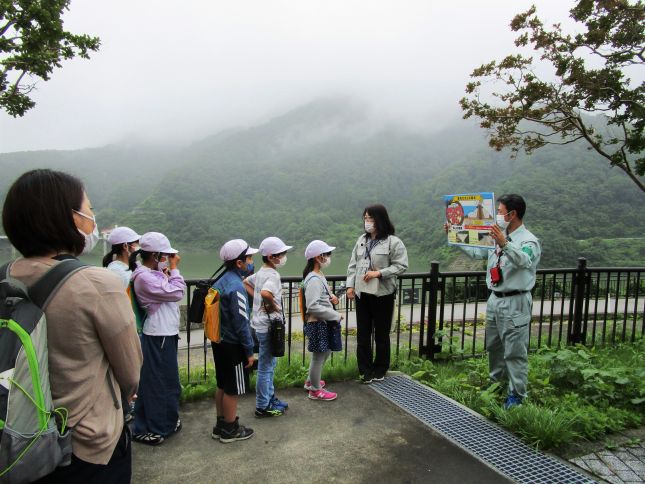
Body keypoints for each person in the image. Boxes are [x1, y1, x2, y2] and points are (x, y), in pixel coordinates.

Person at [2, 169, 142, 483]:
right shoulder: (97, 283)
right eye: (89, 210)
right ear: (70, 218)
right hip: (84, 443)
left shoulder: (4, 278)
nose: (93, 218)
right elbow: (131, 373)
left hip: (17, 437)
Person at [447, 194, 541, 409]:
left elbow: (524, 261)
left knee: (515, 352)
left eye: (499, 211)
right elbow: (476, 251)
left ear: (512, 214)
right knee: (495, 346)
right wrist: (454, 236)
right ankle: (496, 385)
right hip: (495, 299)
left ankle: (516, 396)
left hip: (515, 300)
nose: (496, 215)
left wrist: (504, 243)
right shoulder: (497, 236)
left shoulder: (528, 241)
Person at [129, 232, 186, 445]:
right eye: (165, 256)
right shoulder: (144, 277)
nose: (168, 259)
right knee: (159, 383)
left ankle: (162, 422)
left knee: (164, 381)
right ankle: (154, 427)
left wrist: (168, 270)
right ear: (155, 255)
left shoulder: (153, 274)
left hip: (165, 334)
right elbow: (177, 292)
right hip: (157, 335)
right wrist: (176, 269)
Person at [346, 204, 408, 383]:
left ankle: (380, 369)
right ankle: (364, 370)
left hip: (383, 295)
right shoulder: (361, 240)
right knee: (363, 334)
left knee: (381, 334)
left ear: (380, 219)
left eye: (371, 218)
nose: (367, 222)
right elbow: (352, 265)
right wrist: (350, 286)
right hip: (362, 294)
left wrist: (380, 273)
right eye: (365, 218)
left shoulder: (393, 242)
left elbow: (401, 266)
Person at [211, 239, 257, 443]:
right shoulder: (237, 286)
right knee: (233, 388)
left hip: (219, 341)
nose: (251, 262)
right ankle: (231, 430)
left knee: (222, 384)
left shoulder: (220, 281)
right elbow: (241, 323)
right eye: (248, 258)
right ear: (238, 263)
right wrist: (249, 351)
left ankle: (221, 425)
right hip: (232, 345)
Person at [243, 236, 291, 417]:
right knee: (265, 367)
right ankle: (263, 406)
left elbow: (246, 282)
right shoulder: (273, 275)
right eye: (281, 254)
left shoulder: (262, 272)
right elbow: (265, 292)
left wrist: (259, 299)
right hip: (269, 327)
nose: (284, 256)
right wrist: (270, 305)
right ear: (271, 257)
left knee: (268, 364)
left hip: (259, 325)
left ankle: (270, 398)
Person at [302, 240, 342, 401]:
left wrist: (330, 297)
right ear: (319, 257)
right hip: (318, 323)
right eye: (327, 254)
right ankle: (315, 390)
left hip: (322, 322)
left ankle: (311, 381)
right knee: (319, 356)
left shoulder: (318, 276)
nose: (329, 257)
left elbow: (321, 297)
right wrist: (335, 315)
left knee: (324, 353)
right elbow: (312, 306)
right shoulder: (313, 279)